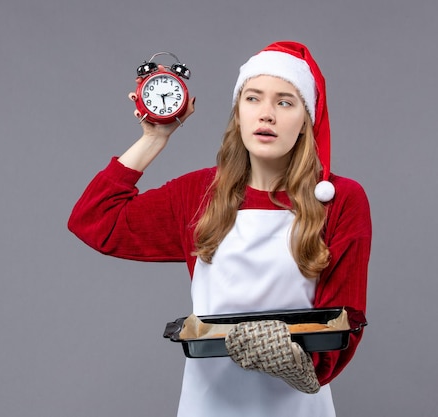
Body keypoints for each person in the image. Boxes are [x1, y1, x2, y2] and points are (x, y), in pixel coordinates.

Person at [68, 41, 371, 417]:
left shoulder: (340, 200)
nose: (266, 115)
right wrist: (153, 138)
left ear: (306, 119)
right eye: (253, 98)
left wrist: (297, 365)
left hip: (296, 404)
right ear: (238, 113)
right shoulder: (198, 194)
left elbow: (346, 318)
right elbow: (95, 220)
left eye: (284, 102)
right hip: (209, 404)